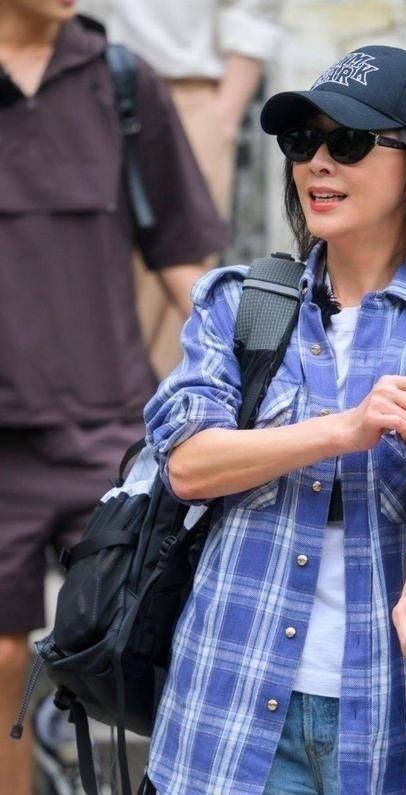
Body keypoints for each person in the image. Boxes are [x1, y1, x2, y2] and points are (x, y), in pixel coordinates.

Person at [142, 45, 406, 795]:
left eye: (346, 142)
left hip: (397, 718)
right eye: (301, 141)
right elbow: (187, 463)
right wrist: (344, 429)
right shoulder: (237, 304)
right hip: (230, 712)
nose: (317, 163)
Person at [0, 2, 227, 793]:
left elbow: (185, 256)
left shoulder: (122, 81)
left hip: (109, 431)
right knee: (0, 658)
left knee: (161, 637)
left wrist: (252, 369)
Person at [77, 0, 284, 378]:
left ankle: (155, 408)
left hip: (184, 88)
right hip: (74, 86)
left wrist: (224, 116)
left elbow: (253, 11)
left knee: (179, 266)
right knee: (80, 256)